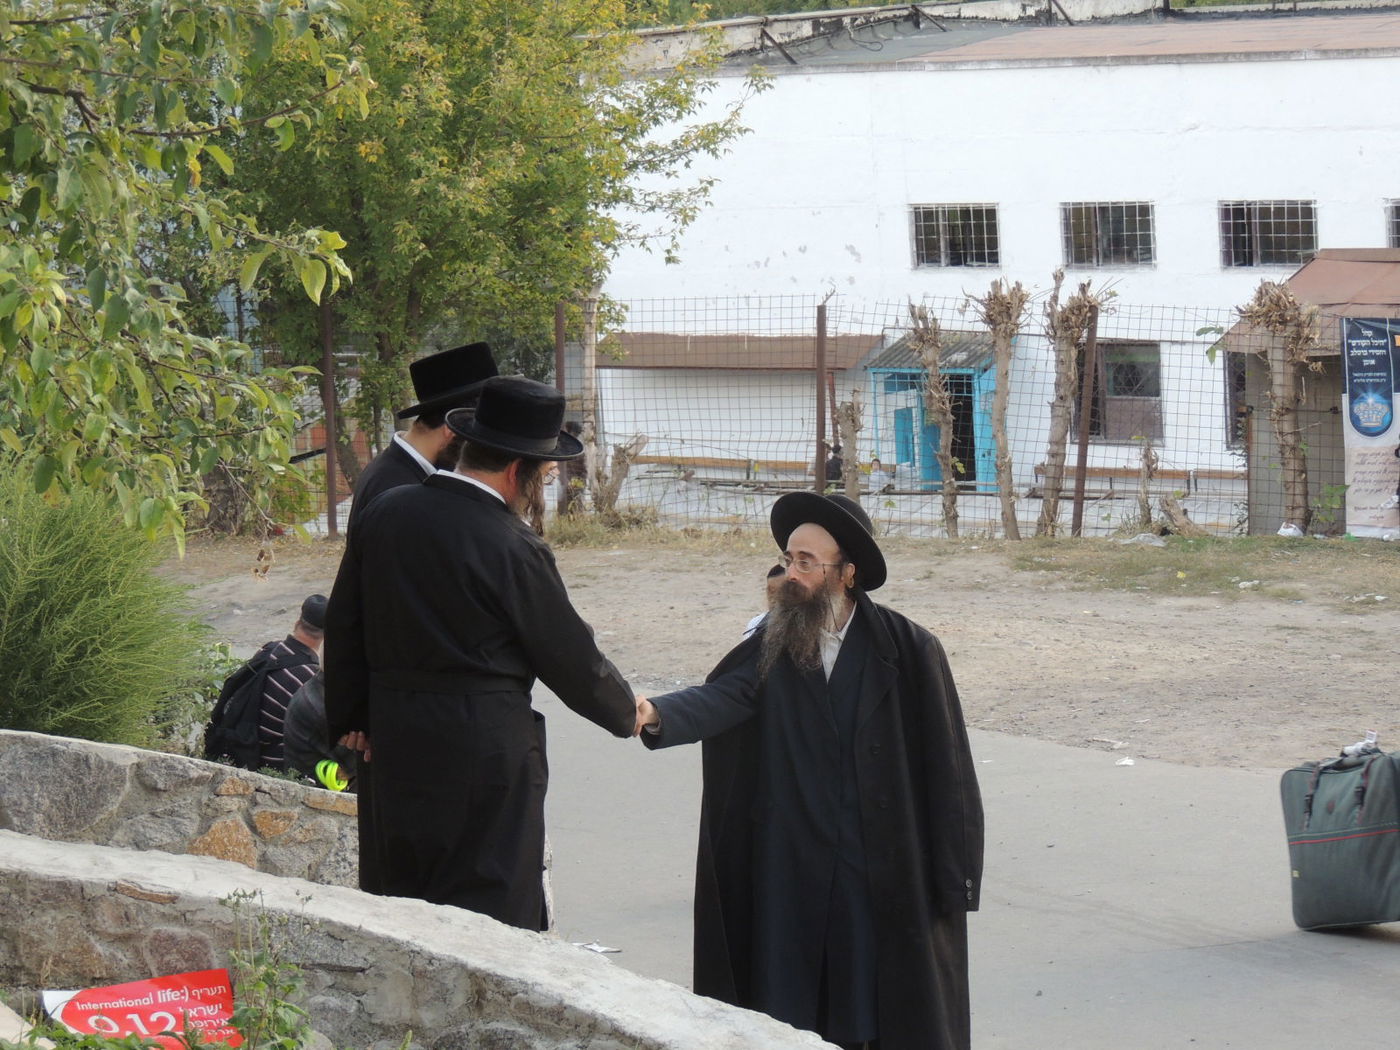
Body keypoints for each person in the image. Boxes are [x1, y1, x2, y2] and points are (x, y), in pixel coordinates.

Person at [635, 492, 984, 1050]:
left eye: (806, 562)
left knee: (876, 1008)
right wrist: (658, 713)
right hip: (793, 862)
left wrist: (956, 875)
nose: (789, 573)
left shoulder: (910, 650)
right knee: (790, 1004)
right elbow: (727, 695)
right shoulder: (773, 641)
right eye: (787, 558)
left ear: (847, 574)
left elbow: (950, 770)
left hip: (880, 865)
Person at [323, 376, 638, 930]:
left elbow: (346, 618)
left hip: (394, 733)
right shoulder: (512, 545)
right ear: (518, 472)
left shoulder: (386, 511)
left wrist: (353, 717)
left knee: (403, 894)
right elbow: (568, 654)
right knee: (490, 905)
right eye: (542, 475)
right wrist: (625, 712)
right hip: (483, 745)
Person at [344, 340, 496, 894]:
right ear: (456, 430)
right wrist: (359, 713)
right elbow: (359, 608)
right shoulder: (400, 487)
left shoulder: (396, 476)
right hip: (401, 708)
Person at [346, 341, 498, 534]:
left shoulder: (400, 469)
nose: (479, 452)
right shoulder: (396, 489)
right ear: (453, 429)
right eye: (476, 439)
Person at [254, 594, 327, 771]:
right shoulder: (309, 677)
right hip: (275, 765)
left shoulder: (268, 650)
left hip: (250, 749)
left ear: (298, 622)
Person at [282, 672, 356, 791]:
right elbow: (369, 760)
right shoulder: (325, 709)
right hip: (319, 798)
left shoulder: (320, 687)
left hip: (312, 789)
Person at [557, 421, 587, 517]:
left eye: (577, 434)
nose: (575, 436)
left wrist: (581, 483)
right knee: (563, 509)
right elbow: (559, 470)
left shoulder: (581, 449)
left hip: (576, 485)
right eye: (574, 433)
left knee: (577, 508)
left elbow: (584, 470)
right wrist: (565, 481)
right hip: (565, 484)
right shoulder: (561, 447)